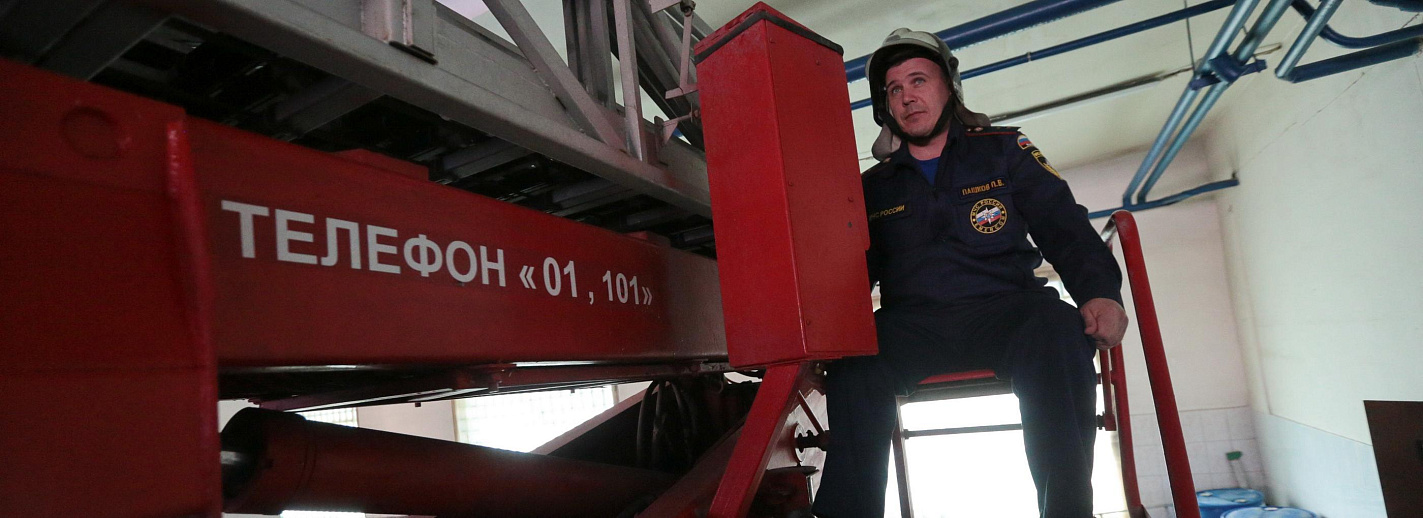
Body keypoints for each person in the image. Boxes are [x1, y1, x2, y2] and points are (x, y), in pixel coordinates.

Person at [811, 28, 1130, 518]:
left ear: (948, 88)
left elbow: (1062, 226)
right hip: (912, 324)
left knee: (1060, 330)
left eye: (918, 80)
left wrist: (1100, 292)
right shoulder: (871, 186)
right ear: (885, 106)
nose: (907, 96)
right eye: (894, 89)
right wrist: (823, 328)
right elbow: (853, 274)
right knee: (853, 361)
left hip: (1009, 313)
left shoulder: (1004, 150)